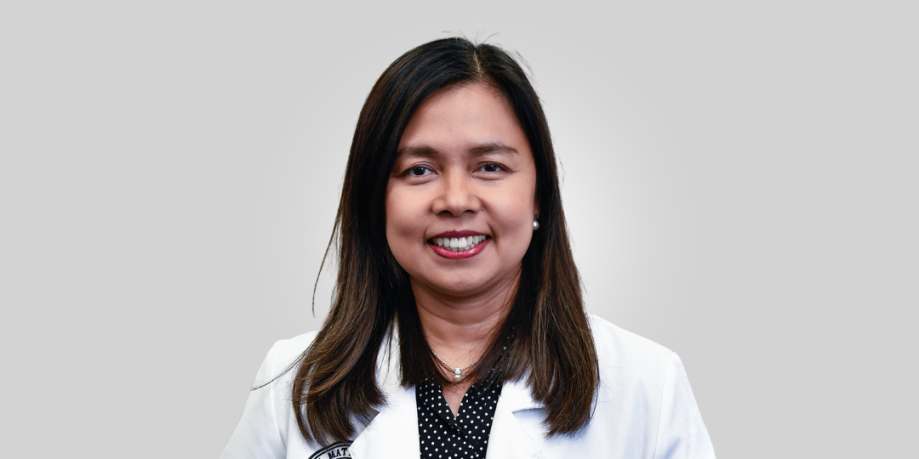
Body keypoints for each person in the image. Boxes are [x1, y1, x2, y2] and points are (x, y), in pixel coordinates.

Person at [222, 37, 715, 459]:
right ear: (376, 199)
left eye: (490, 167)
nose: (456, 200)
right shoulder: (294, 382)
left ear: (539, 194)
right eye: (419, 170)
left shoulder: (647, 384)